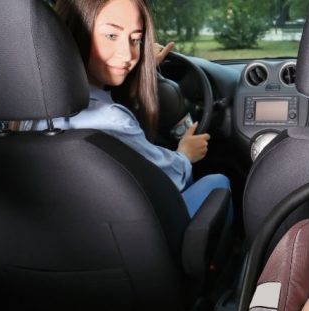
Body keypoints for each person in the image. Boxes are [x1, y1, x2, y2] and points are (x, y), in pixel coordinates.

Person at [23, 0, 231, 218]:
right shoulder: (112, 120)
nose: (128, 55)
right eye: (111, 35)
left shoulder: (24, 115)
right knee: (218, 183)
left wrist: (143, 70)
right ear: (72, 32)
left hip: (69, 228)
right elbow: (166, 179)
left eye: (136, 40)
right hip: (133, 231)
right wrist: (185, 154)